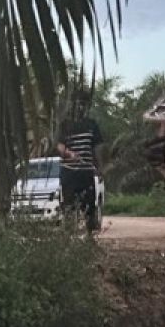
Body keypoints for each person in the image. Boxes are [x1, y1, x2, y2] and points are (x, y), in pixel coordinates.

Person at [55, 94, 102, 233]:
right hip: (69, 172)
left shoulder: (91, 125)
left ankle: (89, 237)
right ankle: (69, 238)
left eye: (83, 104)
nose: (80, 107)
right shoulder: (65, 125)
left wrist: (100, 168)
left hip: (86, 172)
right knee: (69, 206)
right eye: (77, 104)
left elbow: (97, 148)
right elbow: (58, 145)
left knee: (89, 205)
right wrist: (69, 153)